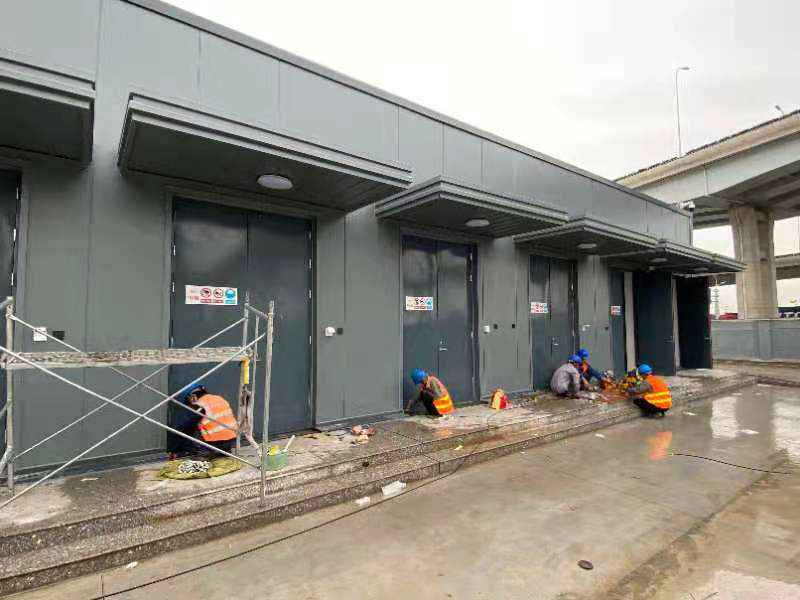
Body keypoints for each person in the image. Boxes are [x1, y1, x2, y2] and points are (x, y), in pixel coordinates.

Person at [173, 384, 238, 456]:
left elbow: (186, 427)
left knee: (190, 427)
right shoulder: (219, 398)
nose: (190, 405)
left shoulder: (199, 405)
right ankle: (223, 451)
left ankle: (204, 453)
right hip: (231, 439)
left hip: (213, 442)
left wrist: (175, 449)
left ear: (192, 397)